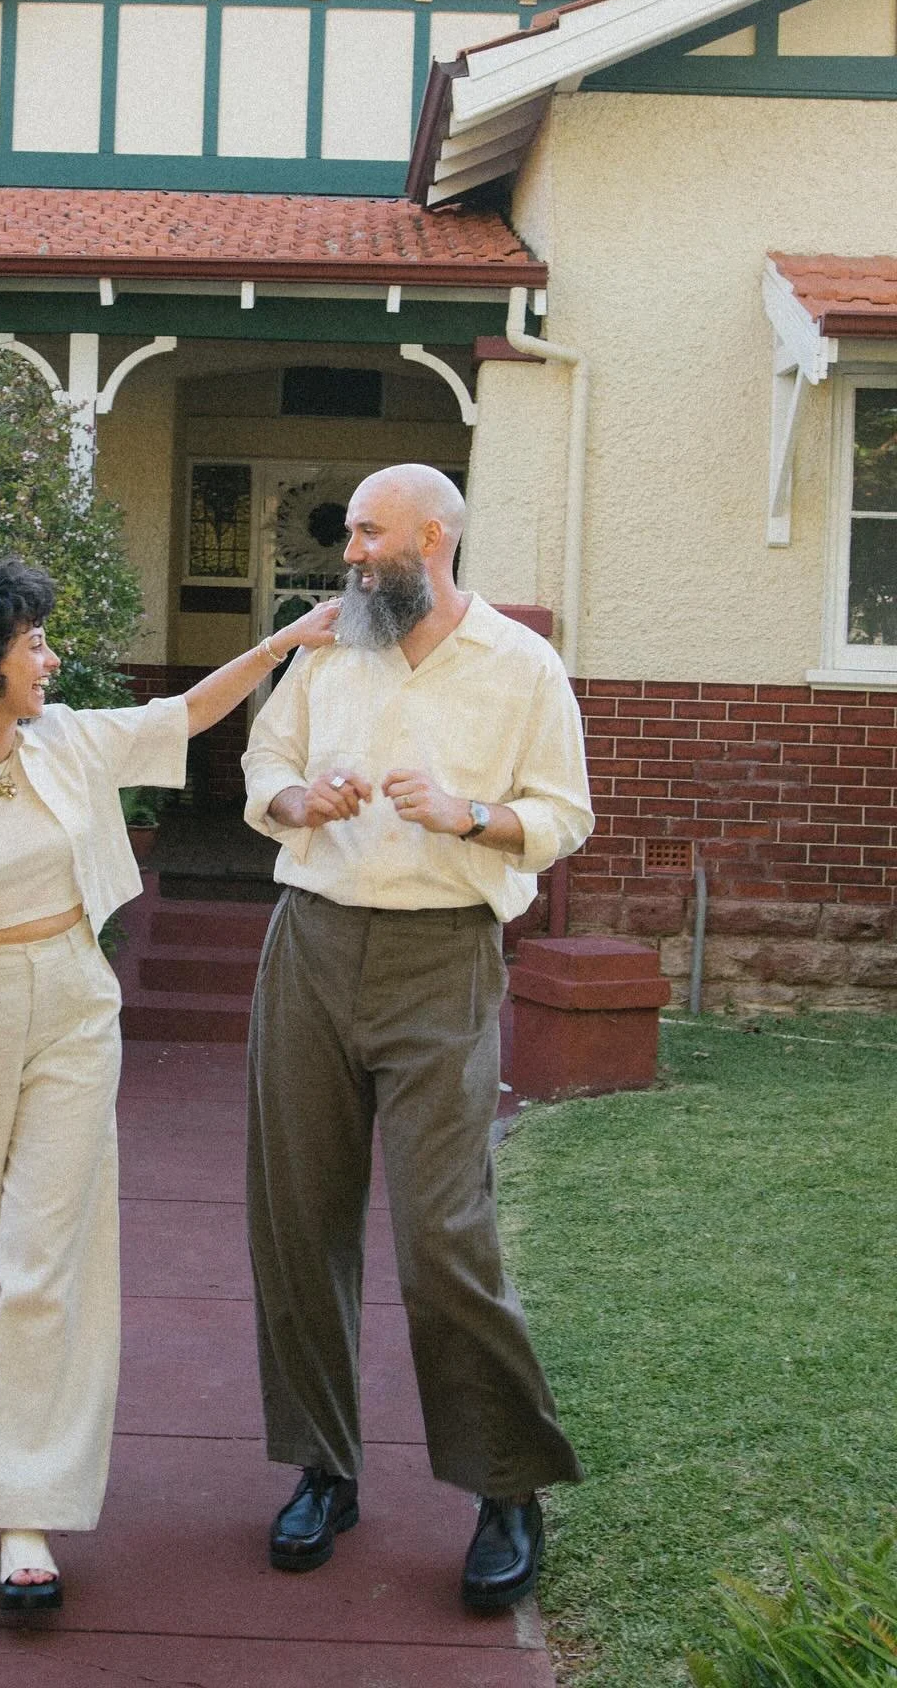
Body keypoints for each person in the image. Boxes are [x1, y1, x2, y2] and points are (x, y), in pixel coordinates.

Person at [0, 558, 336, 1614]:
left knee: (44, 1255)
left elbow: (187, 713)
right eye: (33, 646)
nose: (50, 658)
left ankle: (27, 1512)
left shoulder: (66, 740)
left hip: (70, 996)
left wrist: (285, 644)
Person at [241, 465, 593, 1610]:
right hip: (311, 945)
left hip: (444, 958)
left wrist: (470, 816)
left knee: (446, 1232)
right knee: (299, 1219)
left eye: (365, 532)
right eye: (349, 532)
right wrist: (303, 802)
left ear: (432, 537)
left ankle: (505, 1484)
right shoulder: (328, 645)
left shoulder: (523, 668)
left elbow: (563, 815)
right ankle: (322, 1468)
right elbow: (266, 766)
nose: (348, 554)